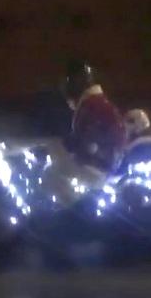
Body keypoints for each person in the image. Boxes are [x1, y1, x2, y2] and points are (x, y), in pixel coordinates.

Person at [47, 59, 126, 202]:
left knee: (52, 154)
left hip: (96, 170)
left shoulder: (91, 106)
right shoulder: (98, 103)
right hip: (106, 166)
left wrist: (61, 148)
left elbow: (82, 144)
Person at [117, 108, 151, 172]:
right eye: (142, 125)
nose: (141, 130)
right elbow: (124, 150)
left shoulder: (133, 135)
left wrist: (138, 141)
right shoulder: (119, 131)